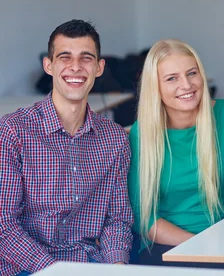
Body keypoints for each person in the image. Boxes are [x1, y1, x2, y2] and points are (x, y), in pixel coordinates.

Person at [0, 20, 133, 276]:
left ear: (99, 67)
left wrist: (118, 267)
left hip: (89, 264)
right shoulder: (13, 132)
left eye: (86, 58)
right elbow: (4, 225)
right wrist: (57, 271)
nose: (75, 67)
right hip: (26, 268)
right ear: (48, 66)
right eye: (65, 57)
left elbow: (117, 220)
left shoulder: (114, 138)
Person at [127, 39, 224, 269]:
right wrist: (199, 247)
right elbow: (144, 218)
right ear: (155, 87)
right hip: (168, 246)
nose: (186, 85)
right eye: (172, 78)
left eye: (192, 73)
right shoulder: (141, 133)